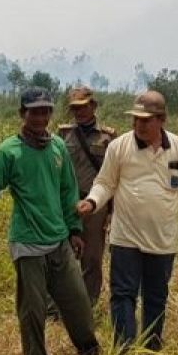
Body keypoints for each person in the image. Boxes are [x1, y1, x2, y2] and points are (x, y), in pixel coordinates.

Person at [0, 86, 100, 355]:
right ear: (22, 114)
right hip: (27, 242)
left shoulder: (57, 147)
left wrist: (75, 230)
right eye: (34, 112)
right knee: (33, 310)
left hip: (59, 240)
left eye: (45, 111)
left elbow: (68, 191)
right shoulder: (8, 151)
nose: (41, 117)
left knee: (77, 302)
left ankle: (90, 352)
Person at [76, 90, 178, 351]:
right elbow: (104, 183)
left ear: (162, 120)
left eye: (146, 120)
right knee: (123, 294)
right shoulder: (119, 146)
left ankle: (151, 350)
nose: (139, 125)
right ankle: (124, 351)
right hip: (126, 237)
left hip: (162, 240)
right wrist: (92, 202)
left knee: (156, 297)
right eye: (135, 119)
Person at [57, 86, 116, 307]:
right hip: (68, 204)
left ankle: (88, 304)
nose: (79, 112)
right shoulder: (63, 135)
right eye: (74, 108)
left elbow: (113, 177)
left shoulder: (107, 137)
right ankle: (64, 304)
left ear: (93, 106)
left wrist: (112, 211)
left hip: (95, 205)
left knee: (91, 257)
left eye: (83, 107)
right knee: (64, 255)